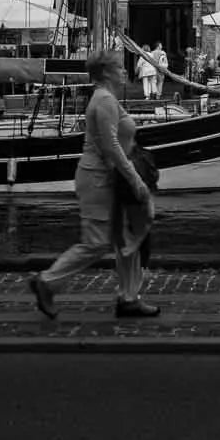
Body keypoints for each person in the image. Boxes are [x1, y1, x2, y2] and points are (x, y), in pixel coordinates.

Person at [28, 50, 158, 320]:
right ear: (107, 72)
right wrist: (135, 179)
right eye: (120, 67)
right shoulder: (104, 101)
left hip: (109, 178)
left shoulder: (105, 99)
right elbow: (110, 146)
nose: (125, 71)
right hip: (99, 178)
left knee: (129, 237)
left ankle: (129, 297)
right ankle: (48, 281)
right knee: (97, 242)